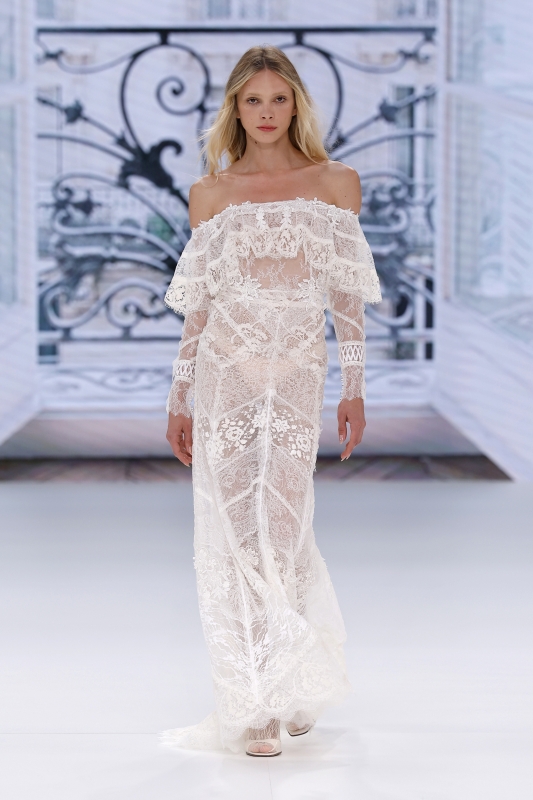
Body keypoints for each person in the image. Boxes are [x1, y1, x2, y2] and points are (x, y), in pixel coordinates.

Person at [162, 45, 381, 757]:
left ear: (295, 106)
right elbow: (199, 306)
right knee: (233, 537)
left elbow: (345, 296)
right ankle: (255, 704)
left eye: (277, 99)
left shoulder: (334, 183)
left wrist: (354, 388)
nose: (265, 113)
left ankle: (293, 676)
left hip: (294, 380)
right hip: (223, 381)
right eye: (252, 100)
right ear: (235, 107)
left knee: (284, 532)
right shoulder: (210, 193)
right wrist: (179, 395)